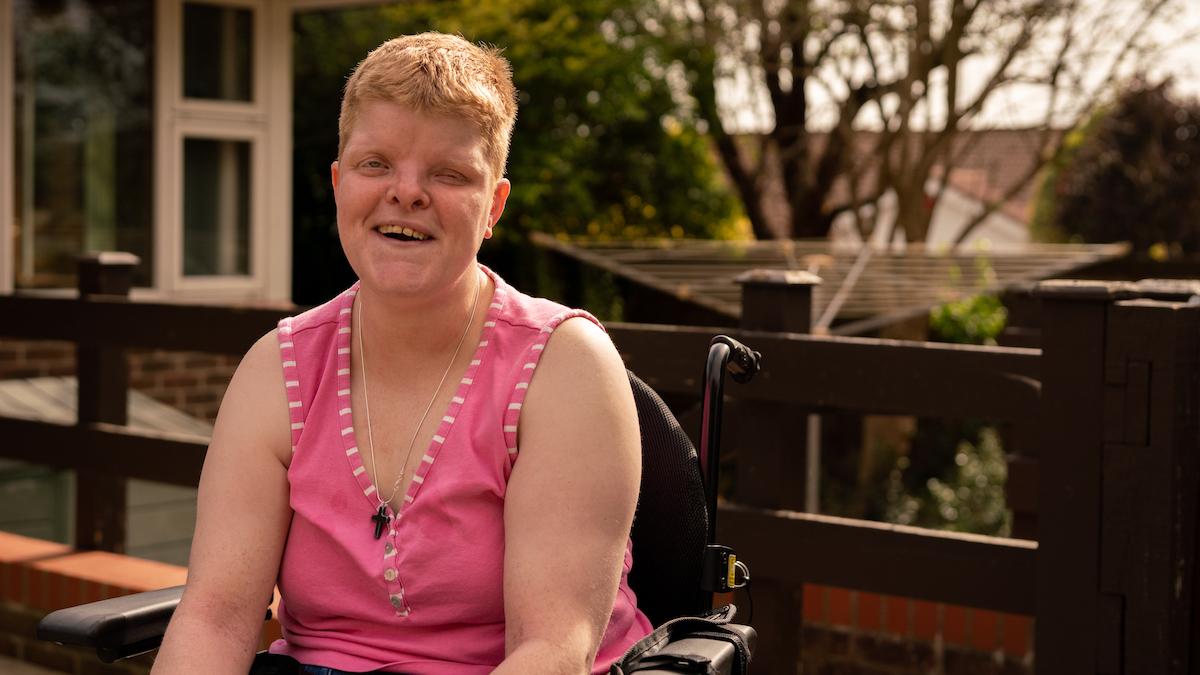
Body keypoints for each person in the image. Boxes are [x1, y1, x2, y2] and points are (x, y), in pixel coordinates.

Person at [152, 33, 651, 674]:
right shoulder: (276, 371)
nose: (407, 192)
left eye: (449, 174)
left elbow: (555, 648)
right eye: (375, 164)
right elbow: (215, 619)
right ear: (339, 184)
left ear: (494, 206)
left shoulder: (565, 366)